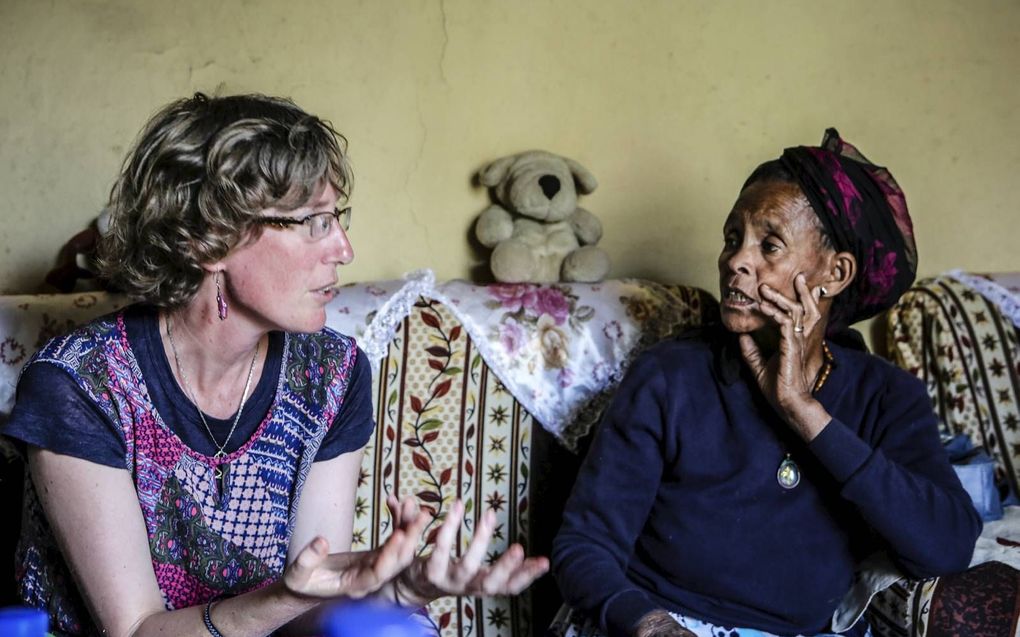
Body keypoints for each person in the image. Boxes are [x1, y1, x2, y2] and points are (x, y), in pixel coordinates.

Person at [1, 93, 548, 637]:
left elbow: (313, 608)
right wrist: (287, 594)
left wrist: (392, 591)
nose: (344, 249)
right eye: (313, 222)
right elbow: (137, 629)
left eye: (337, 218)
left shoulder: (332, 373)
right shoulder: (79, 384)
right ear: (207, 241)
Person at [550, 129, 981, 637]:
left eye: (769, 245)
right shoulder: (672, 377)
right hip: (652, 622)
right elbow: (584, 544)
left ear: (835, 272)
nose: (736, 261)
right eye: (733, 238)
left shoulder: (885, 396)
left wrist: (804, 411)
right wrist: (648, 623)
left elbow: (947, 546)